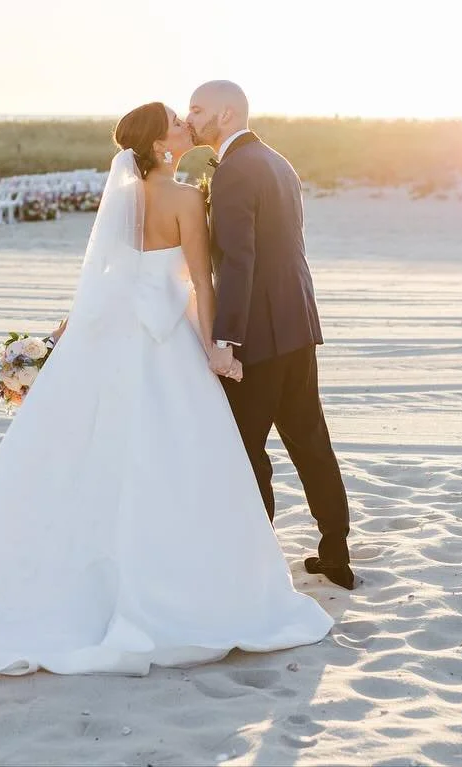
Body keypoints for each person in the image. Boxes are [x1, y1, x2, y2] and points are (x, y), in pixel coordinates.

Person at [0, 102, 332, 738]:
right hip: (167, 343)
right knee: (178, 461)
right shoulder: (181, 199)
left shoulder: (123, 199)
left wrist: (68, 336)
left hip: (116, 340)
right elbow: (203, 284)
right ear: (161, 141)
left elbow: (105, 282)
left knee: (99, 453)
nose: (185, 124)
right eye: (176, 120)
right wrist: (213, 347)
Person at [188, 80, 355, 590]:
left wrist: (227, 339)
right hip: (298, 325)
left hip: (257, 336)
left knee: (246, 450)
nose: (189, 117)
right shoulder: (278, 161)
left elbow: (239, 261)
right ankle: (335, 551)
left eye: (197, 109)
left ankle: (255, 563)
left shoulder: (237, 169)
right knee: (310, 442)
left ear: (226, 113)